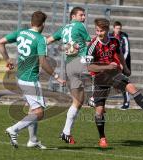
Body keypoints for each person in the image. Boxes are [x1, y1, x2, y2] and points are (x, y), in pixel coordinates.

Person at [87, 18, 143, 148]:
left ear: (107, 30)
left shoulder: (114, 41)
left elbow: (119, 53)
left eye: (102, 30)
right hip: (100, 78)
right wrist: (107, 67)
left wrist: (125, 68)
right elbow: (89, 67)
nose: (99, 33)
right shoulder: (93, 45)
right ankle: (102, 138)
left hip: (114, 74)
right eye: (97, 30)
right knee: (99, 111)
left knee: (131, 87)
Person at [0, 11, 65, 149]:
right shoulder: (40, 39)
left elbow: (0, 43)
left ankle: (33, 140)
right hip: (30, 79)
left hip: (20, 77)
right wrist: (56, 76)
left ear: (31, 22)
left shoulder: (21, 32)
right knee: (39, 112)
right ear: (43, 24)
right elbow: (43, 62)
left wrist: (7, 59)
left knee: (32, 110)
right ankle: (14, 129)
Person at [47, 6, 91, 144]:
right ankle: (95, 98)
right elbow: (89, 43)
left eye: (84, 15)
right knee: (106, 70)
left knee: (78, 101)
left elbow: (48, 41)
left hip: (69, 66)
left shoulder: (64, 29)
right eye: (81, 15)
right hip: (80, 62)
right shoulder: (79, 26)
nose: (83, 18)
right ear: (73, 16)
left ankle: (66, 132)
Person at [111, 21, 131, 110]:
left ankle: (126, 102)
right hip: (112, 63)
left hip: (122, 64)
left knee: (123, 82)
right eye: (116, 28)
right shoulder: (110, 36)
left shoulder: (124, 37)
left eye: (119, 28)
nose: (118, 30)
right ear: (113, 28)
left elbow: (126, 51)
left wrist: (121, 63)